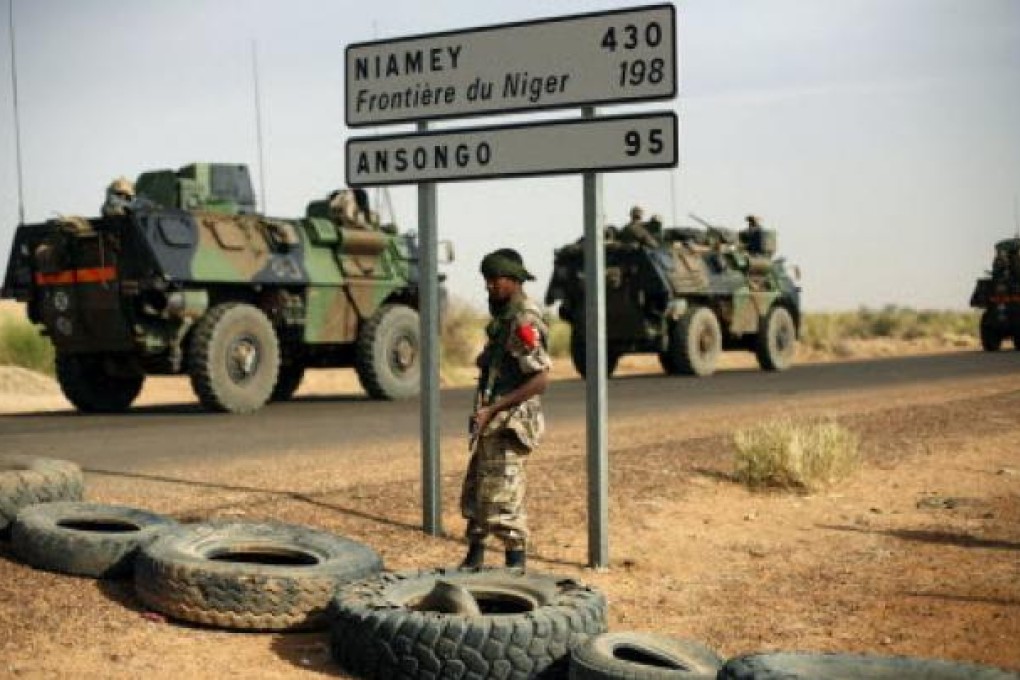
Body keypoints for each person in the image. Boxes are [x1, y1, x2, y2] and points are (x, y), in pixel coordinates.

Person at [460, 248, 551, 571]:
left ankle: (516, 569)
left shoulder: (523, 321)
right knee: (477, 493)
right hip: (492, 419)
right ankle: (473, 561)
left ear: (513, 280)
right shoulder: (504, 319)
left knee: (504, 500)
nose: (489, 287)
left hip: (510, 423)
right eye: (486, 281)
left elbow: (539, 379)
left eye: (495, 280)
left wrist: (493, 408)